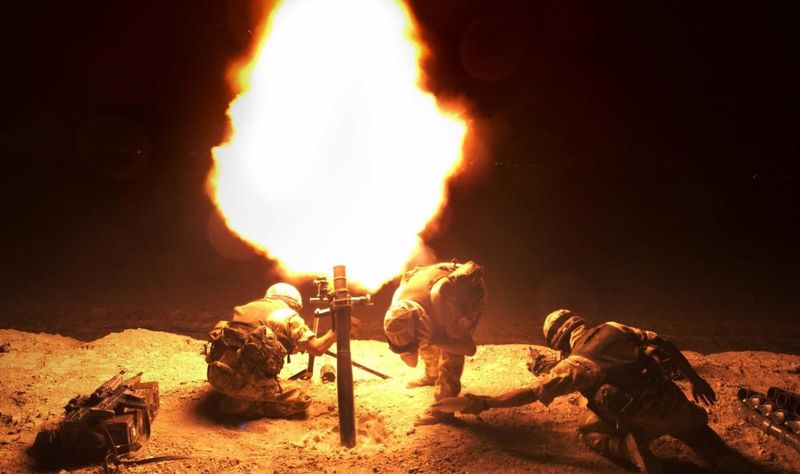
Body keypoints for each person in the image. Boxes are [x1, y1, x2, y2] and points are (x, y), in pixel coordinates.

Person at [435, 309, 742, 473]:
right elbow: (661, 341)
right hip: (670, 402)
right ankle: (723, 459)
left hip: (637, 417)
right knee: (700, 435)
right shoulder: (613, 327)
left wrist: (485, 402)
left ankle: (628, 446)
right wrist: (694, 380)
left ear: (558, 342)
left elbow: (533, 391)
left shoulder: (577, 364)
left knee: (586, 428)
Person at [205, 282, 336, 419]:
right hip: (243, 384)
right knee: (302, 400)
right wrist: (337, 330)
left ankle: (233, 394)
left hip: (216, 375)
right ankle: (243, 405)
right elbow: (317, 348)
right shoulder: (289, 316)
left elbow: (250, 339)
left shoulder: (246, 308)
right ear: (293, 304)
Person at [383, 261, 486, 424]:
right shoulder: (397, 306)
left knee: (450, 347)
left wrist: (436, 339)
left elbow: (468, 348)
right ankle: (432, 375)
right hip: (432, 296)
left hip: (465, 290)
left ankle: (443, 409)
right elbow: (411, 357)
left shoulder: (446, 305)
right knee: (423, 336)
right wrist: (417, 344)